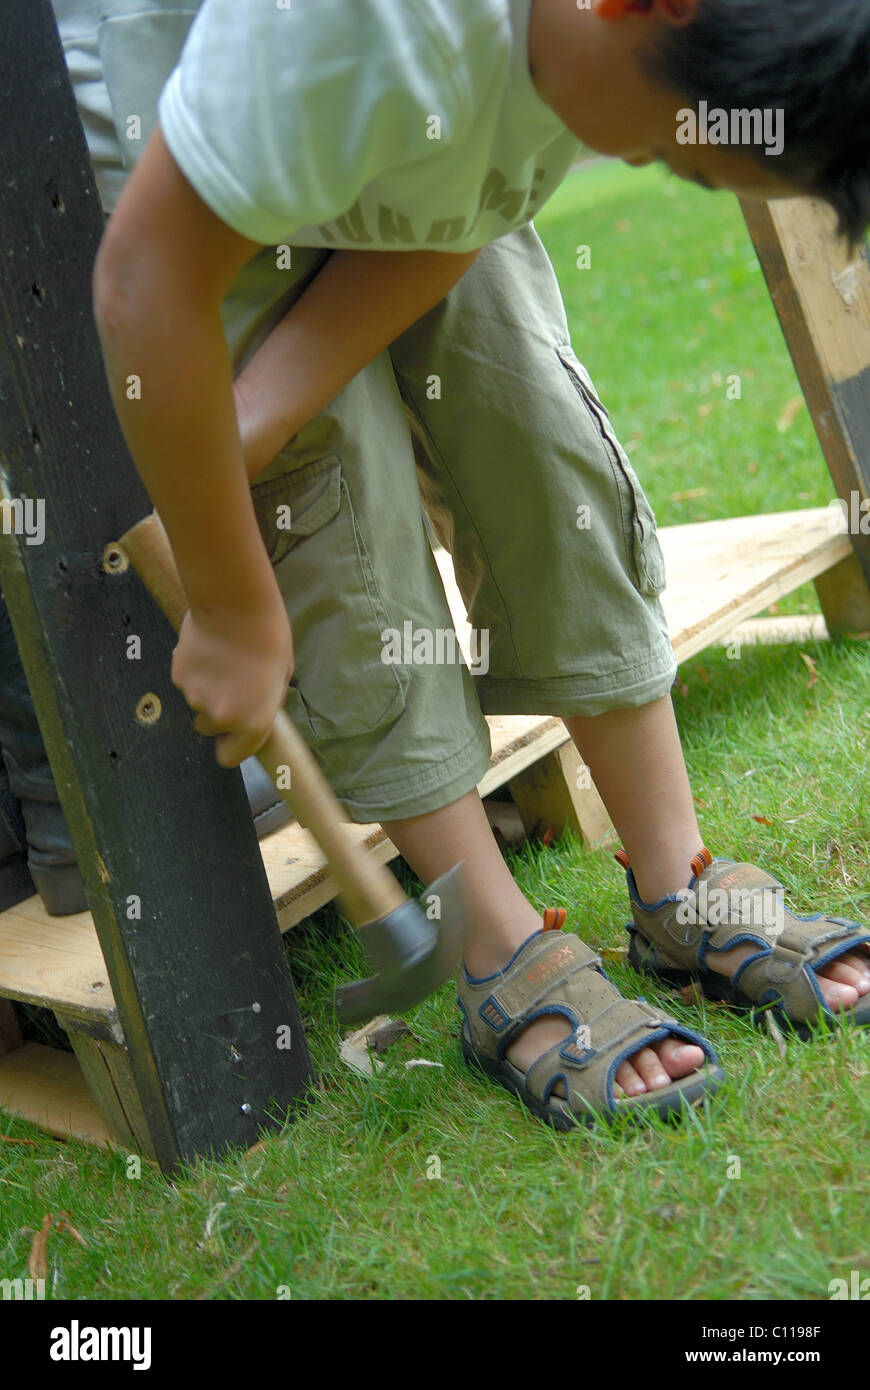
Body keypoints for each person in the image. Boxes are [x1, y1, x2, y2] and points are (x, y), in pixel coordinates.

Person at [67, 0, 870, 1124]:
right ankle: (496, 946)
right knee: (329, 503)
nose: (634, 160)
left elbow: (448, 231)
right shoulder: (370, 28)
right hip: (192, 158)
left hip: (447, 114)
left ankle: (676, 882)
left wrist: (246, 420)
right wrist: (236, 600)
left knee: (527, 408)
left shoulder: (591, 54)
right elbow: (146, 281)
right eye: (659, 150)